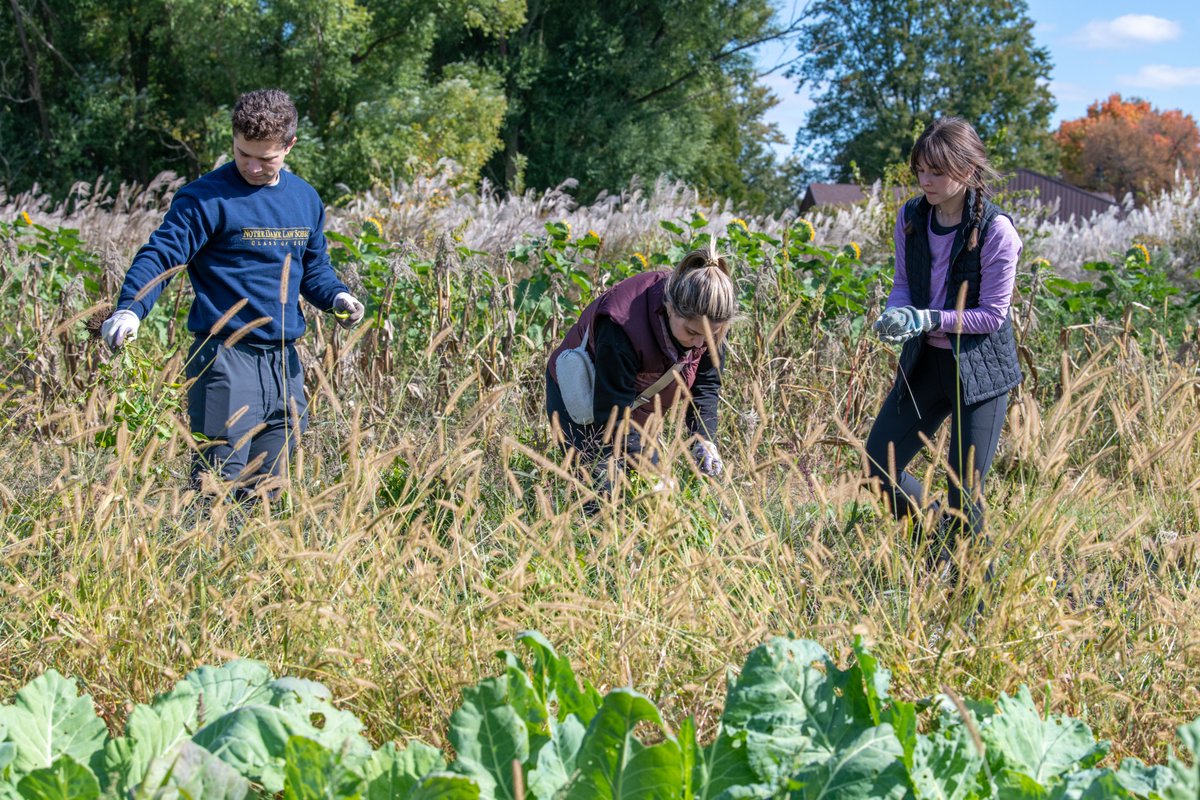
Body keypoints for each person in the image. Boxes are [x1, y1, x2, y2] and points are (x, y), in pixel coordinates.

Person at [100, 88, 365, 498]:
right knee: (216, 485)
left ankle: (251, 562)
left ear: (290, 146)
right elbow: (162, 255)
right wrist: (130, 310)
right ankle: (200, 557)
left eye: (266, 158)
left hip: (284, 362)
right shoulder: (205, 198)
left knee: (268, 489)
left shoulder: (305, 199)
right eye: (244, 154)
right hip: (225, 358)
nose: (253, 167)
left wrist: (337, 297)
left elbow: (313, 269)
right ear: (233, 139)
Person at [867, 116, 1022, 567]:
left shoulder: (996, 232)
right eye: (920, 170)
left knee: (963, 489)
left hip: (979, 370)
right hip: (925, 364)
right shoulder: (911, 217)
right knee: (880, 466)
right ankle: (936, 542)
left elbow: (993, 315)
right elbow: (903, 283)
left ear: (968, 170)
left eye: (938, 171)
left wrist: (929, 316)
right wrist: (897, 312)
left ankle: (979, 590)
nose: (925, 180)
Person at [546, 243, 736, 490]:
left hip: (634, 405)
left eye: (711, 334)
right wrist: (650, 471)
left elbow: (705, 387)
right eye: (692, 332)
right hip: (582, 395)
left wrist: (704, 439)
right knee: (602, 492)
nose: (700, 343)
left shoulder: (710, 324)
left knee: (649, 500)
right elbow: (612, 412)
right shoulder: (621, 324)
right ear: (669, 307)